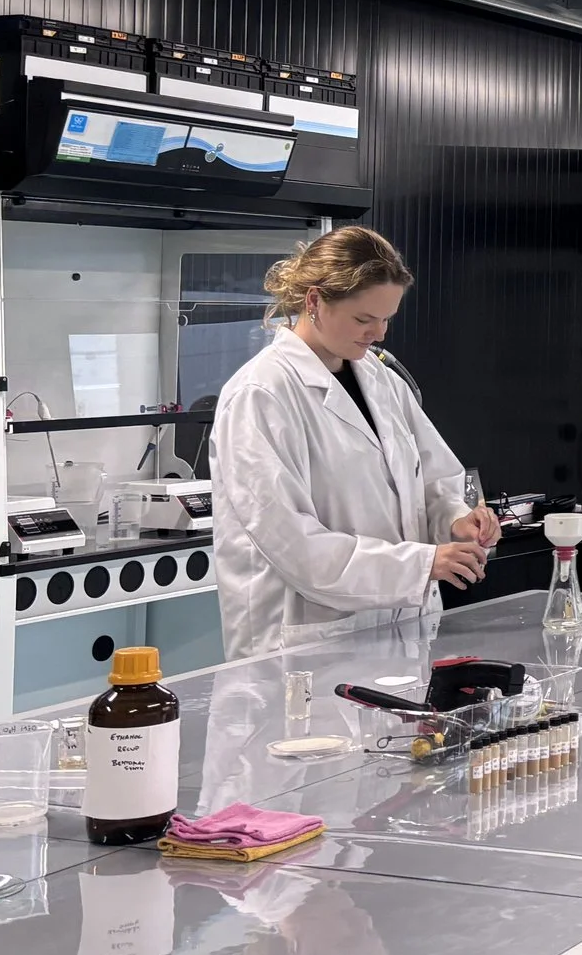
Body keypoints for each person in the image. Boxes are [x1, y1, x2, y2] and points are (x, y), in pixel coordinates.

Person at [211, 227, 500, 659]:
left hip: (400, 630)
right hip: (305, 644)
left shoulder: (381, 381)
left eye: (387, 319)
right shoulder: (261, 394)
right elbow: (295, 545)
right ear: (314, 301)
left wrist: (457, 519)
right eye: (364, 320)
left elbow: (433, 479)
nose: (379, 334)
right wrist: (421, 564)